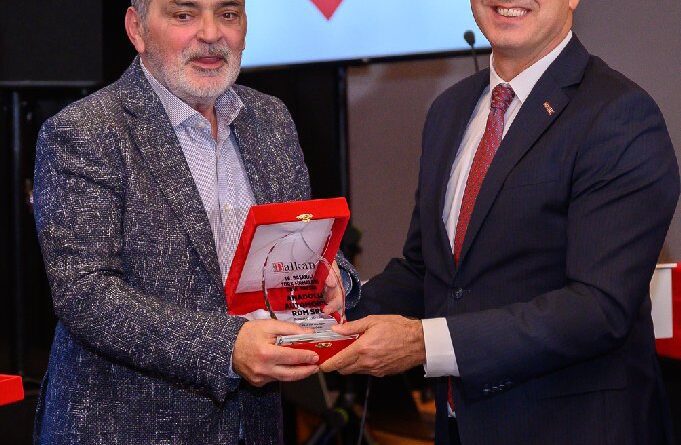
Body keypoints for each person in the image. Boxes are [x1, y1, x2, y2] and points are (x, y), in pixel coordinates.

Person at [322, 1, 679, 444]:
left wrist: (425, 344)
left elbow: (598, 308)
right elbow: (428, 272)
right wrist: (342, 303)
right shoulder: (449, 111)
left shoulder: (619, 115)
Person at [32, 0, 359, 443]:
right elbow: (86, 294)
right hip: (127, 427)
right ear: (137, 28)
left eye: (228, 14)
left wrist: (332, 276)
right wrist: (228, 347)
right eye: (183, 15)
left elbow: (297, 240)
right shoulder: (85, 131)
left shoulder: (271, 120)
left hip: (254, 426)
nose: (210, 34)